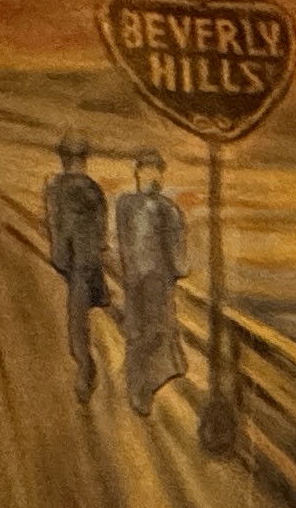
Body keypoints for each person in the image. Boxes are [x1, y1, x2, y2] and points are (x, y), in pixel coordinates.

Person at [111, 146, 190, 417]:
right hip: (146, 281)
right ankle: (142, 388)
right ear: (139, 172)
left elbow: (175, 252)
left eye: (156, 171)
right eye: (149, 170)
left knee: (147, 333)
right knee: (147, 334)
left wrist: (175, 270)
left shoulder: (161, 208)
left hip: (148, 280)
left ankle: (141, 387)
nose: (153, 176)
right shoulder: (158, 208)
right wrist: (179, 270)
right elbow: (177, 258)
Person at [42, 136, 109, 401]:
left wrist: (60, 258)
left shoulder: (56, 187)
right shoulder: (93, 189)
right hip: (86, 262)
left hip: (76, 263)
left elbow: (55, 224)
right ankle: (85, 367)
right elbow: (101, 231)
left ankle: (84, 369)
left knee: (77, 320)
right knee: (79, 319)